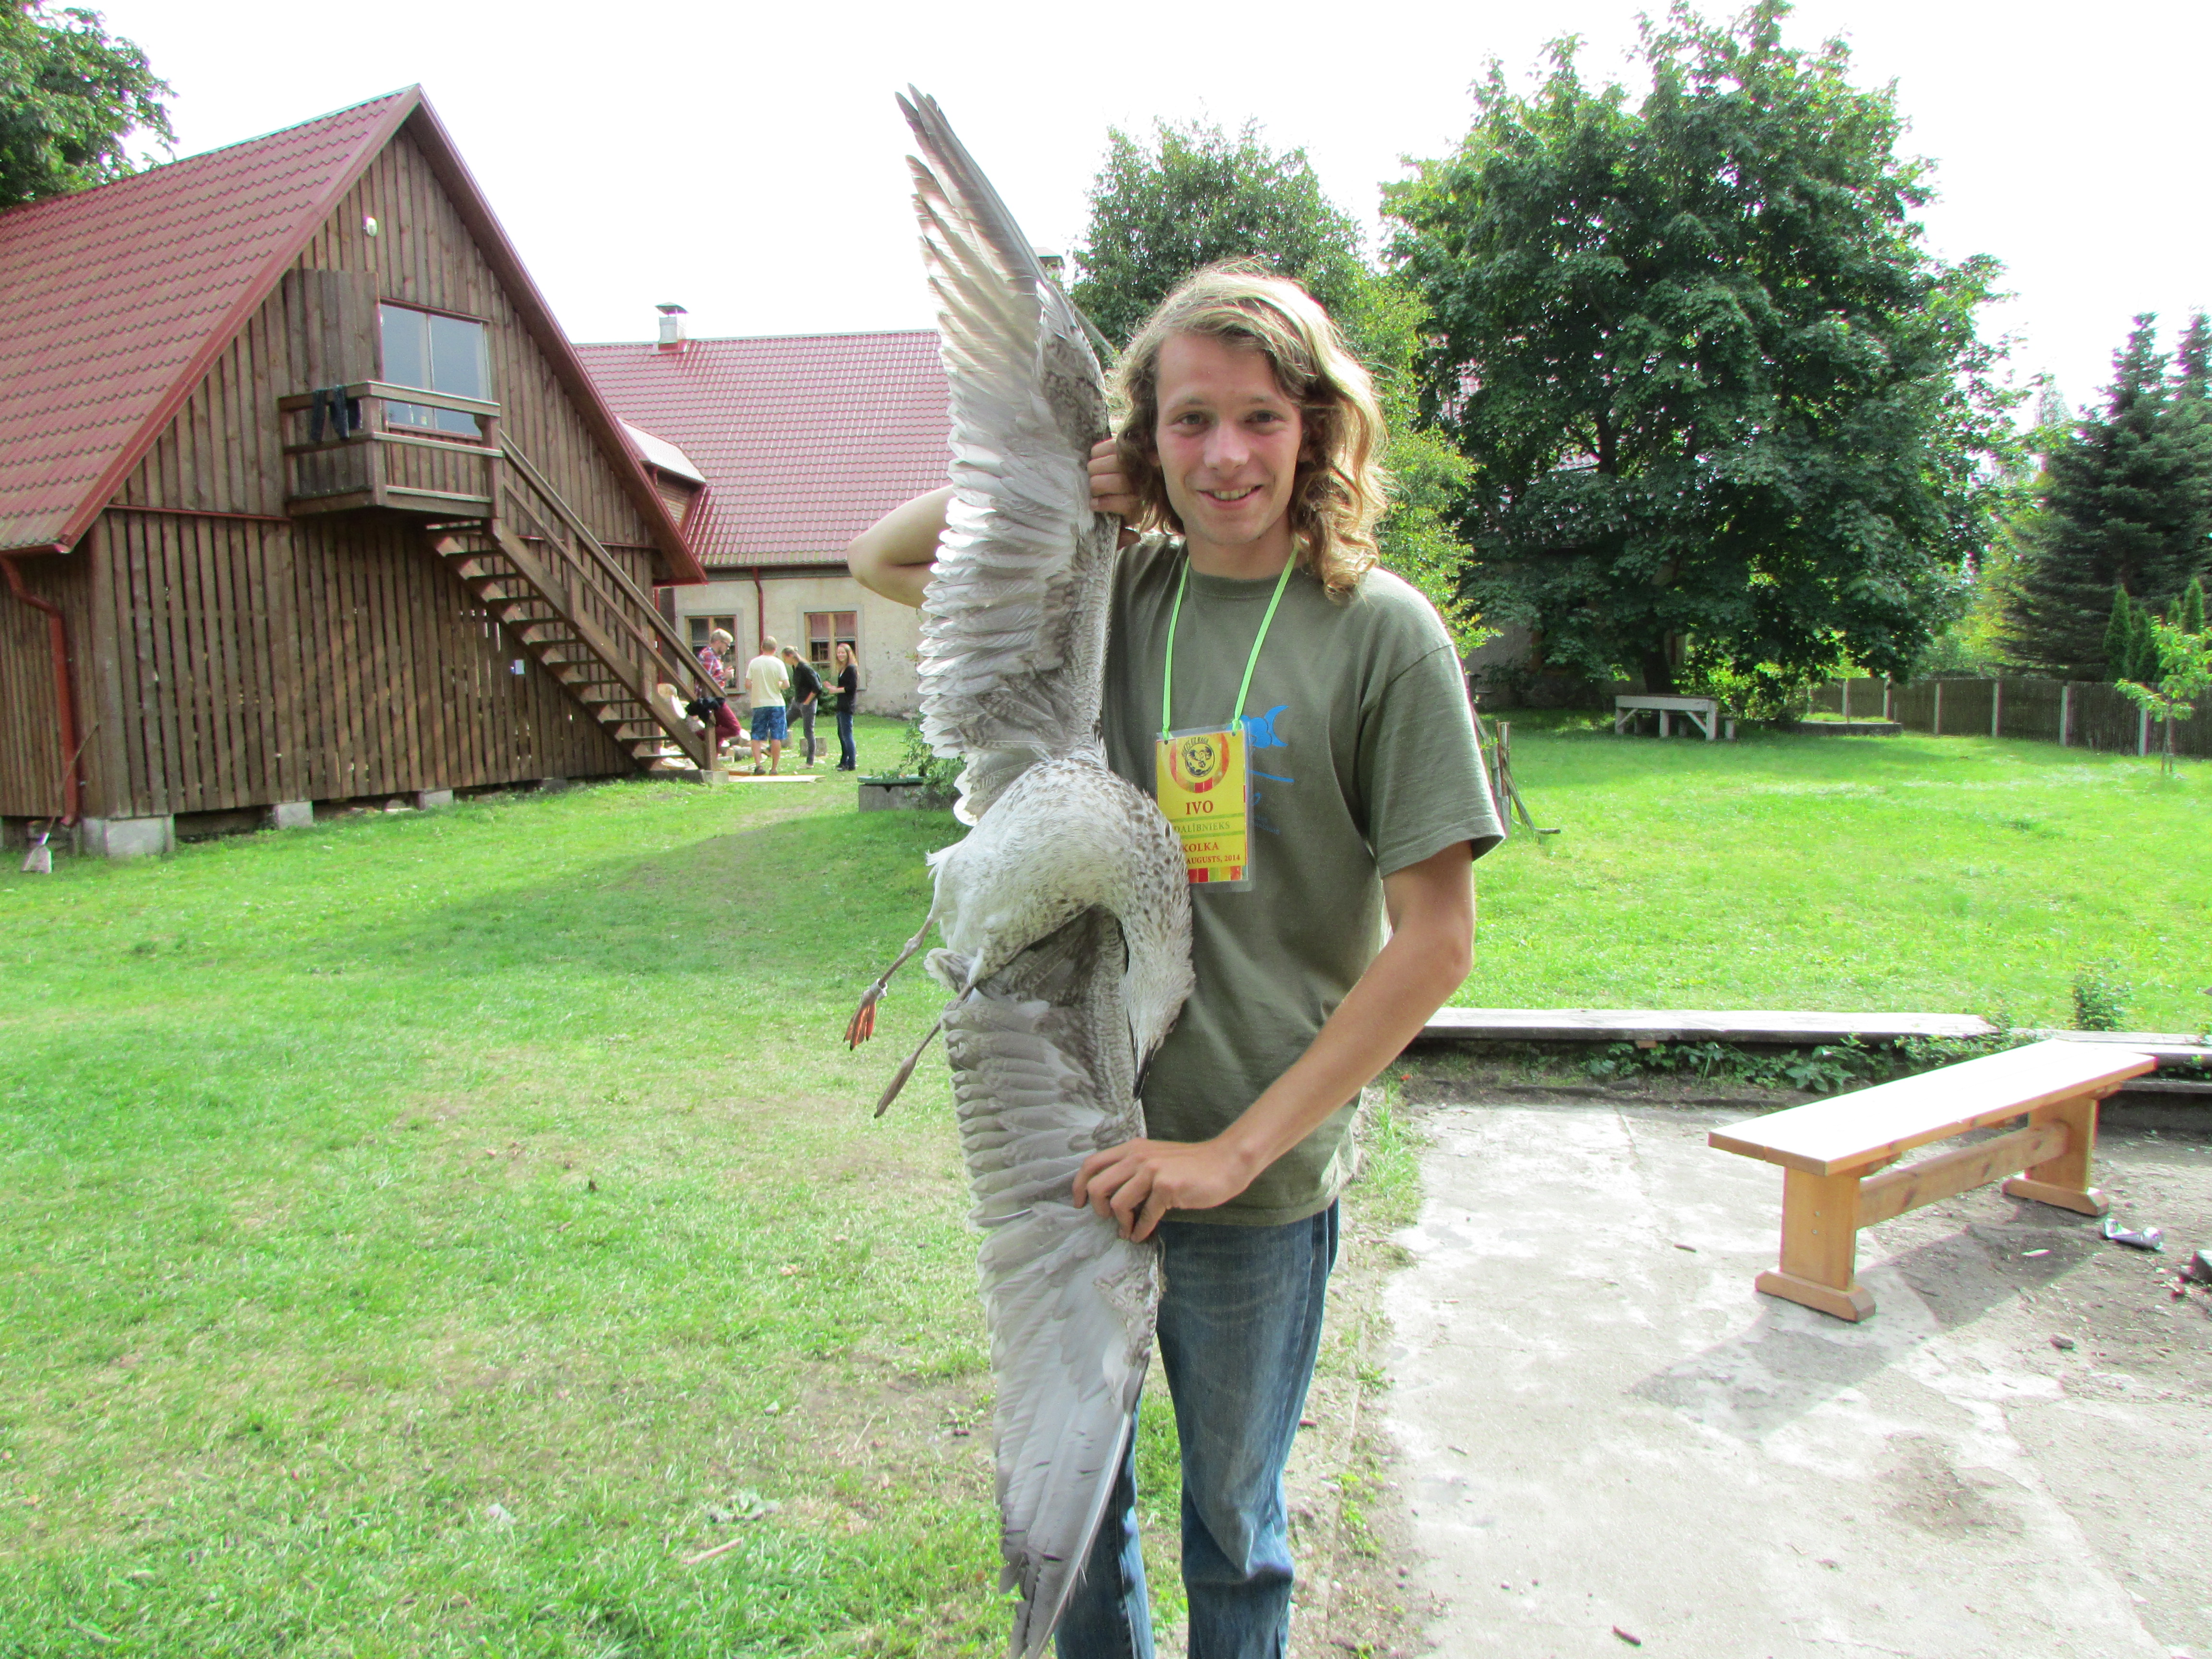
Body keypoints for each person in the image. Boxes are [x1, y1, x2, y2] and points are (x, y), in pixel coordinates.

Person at [848, 263, 1501, 1659]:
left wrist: (1231, 1154)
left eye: (1261, 417)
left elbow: (1437, 943)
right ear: (1148, 434)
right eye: (1189, 419)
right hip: (1086, 1141)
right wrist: (1064, 480)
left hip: (1255, 1177)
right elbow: (882, 558)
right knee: (1083, 1532)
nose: (1226, 456)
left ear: (1316, 428)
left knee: (1232, 1529)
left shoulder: (1382, 634)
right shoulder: (1111, 588)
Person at [744, 636, 790, 774]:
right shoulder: (778, 663)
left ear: (762, 648)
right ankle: (774, 768)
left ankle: (758, 765)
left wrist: (758, 685)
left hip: (759, 703)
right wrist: (778, 685)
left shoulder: (754, 663)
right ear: (775, 650)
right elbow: (786, 684)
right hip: (776, 703)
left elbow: (748, 684)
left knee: (757, 735)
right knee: (776, 736)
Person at [697, 628, 743, 764]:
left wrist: (723, 676)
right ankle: (697, 736)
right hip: (711, 700)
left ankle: (713, 761)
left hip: (714, 698)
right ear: (718, 642)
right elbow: (705, 681)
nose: (728, 649)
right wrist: (724, 676)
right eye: (727, 645)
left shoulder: (713, 656)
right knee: (734, 729)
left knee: (719, 735)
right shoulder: (709, 656)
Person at [781, 646, 824, 767]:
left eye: (785, 658)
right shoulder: (795, 668)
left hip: (808, 704)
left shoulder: (805, 668)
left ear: (790, 656)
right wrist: (796, 698)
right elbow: (801, 686)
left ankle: (810, 762)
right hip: (797, 702)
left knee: (808, 732)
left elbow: (817, 687)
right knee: (784, 723)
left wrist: (807, 702)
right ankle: (770, 749)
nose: (785, 661)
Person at [832, 642, 860, 770]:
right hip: (841, 705)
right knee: (841, 734)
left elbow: (851, 688)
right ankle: (844, 761)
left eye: (843, 652)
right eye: (839, 653)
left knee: (847, 735)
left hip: (847, 706)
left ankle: (851, 763)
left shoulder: (851, 668)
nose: (840, 655)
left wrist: (836, 690)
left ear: (849, 654)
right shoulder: (842, 669)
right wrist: (834, 689)